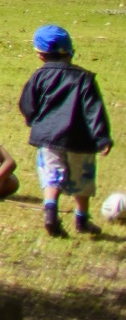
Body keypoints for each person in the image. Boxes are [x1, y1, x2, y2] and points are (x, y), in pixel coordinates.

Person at [21, 24, 113, 238]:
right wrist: (102, 137)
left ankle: (51, 211)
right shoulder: (85, 78)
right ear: (71, 51)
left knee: (52, 176)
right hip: (80, 138)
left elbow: (27, 104)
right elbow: (93, 110)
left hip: (49, 138)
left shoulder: (38, 76)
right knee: (82, 178)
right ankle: (82, 219)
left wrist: (34, 120)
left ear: (40, 55)